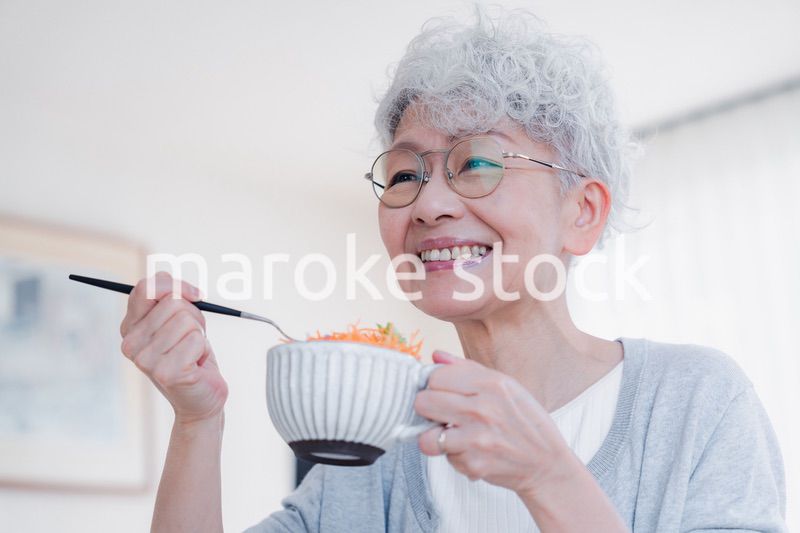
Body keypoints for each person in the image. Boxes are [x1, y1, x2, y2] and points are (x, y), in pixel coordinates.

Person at [119, 7, 788, 533]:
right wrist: (196, 421)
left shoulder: (696, 402)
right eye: (406, 172)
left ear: (582, 212)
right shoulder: (378, 430)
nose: (430, 203)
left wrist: (551, 476)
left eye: (477, 162)